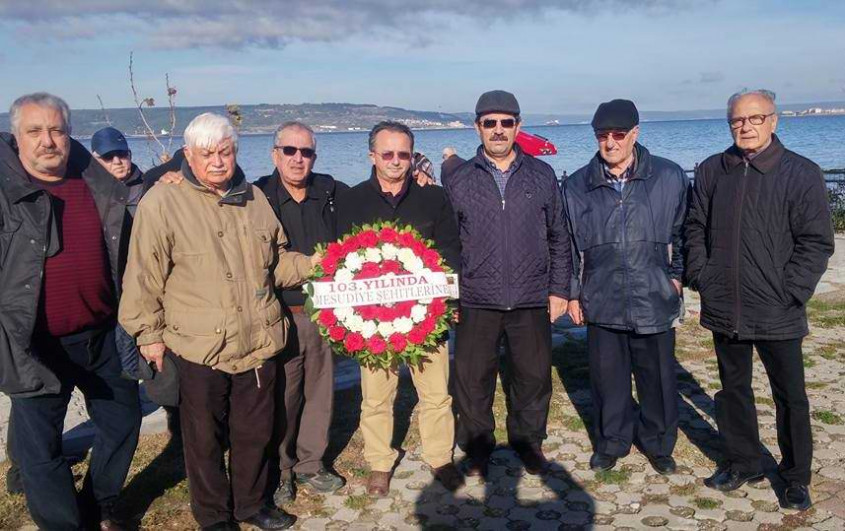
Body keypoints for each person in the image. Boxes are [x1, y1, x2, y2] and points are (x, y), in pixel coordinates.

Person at [119, 113, 319, 530]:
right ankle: (213, 517)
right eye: (206, 153)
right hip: (198, 347)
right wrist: (148, 337)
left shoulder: (254, 199)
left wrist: (317, 264)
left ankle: (252, 505)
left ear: (236, 152)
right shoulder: (162, 202)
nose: (216, 161)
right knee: (203, 441)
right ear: (187, 156)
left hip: (258, 341)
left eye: (224, 152)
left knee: (256, 434)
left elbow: (276, 264)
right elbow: (143, 276)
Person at [686, 89, 835, 510]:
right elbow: (695, 225)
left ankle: (795, 476)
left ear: (774, 121)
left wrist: (792, 290)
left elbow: (816, 242)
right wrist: (701, 274)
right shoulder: (714, 169)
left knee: (790, 395)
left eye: (755, 118)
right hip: (724, 301)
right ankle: (743, 460)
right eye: (737, 120)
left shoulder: (800, 173)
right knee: (733, 391)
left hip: (777, 305)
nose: (745, 127)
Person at [0, 92, 141, 531]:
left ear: (69, 132)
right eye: (35, 131)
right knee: (39, 450)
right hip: (34, 342)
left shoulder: (96, 185)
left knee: (123, 418)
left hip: (100, 334)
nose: (48, 141)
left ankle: (103, 501)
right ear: (16, 136)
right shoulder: (5, 194)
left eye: (57, 130)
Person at [445, 90, 572, 477]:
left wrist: (560, 290)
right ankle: (477, 446)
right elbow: (448, 243)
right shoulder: (460, 178)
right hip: (475, 297)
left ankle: (527, 441)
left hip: (531, 295)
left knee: (532, 377)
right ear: (477, 127)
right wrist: (451, 297)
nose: (498, 130)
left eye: (506, 122)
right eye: (490, 123)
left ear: (518, 126)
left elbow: (559, 237)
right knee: (472, 379)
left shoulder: (542, 174)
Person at [336, 121, 463, 497]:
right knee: (376, 396)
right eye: (387, 153)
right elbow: (340, 261)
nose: (395, 161)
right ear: (372, 155)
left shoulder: (434, 198)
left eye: (403, 154)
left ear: (413, 157)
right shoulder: (350, 200)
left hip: (427, 317)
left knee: (436, 393)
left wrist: (450, 302)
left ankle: (439, 457)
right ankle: (379, 462)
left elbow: (451, 251)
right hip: (372, 322)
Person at [563, 99, 689, 475]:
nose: (610, 142)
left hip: (654, 291)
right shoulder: (576, 185)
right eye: (603, 135)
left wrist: (678, 275)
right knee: (607, 378)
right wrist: (573, 291)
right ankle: (612, 440)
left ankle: (659, 442)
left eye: (619, 135)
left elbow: (685, 232)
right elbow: (567, 244)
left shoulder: (668, 176)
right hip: (601, 294)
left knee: (659, 378)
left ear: (635, 133)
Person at [253, 121, 348, 504]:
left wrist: (425, 176)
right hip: (281, 312)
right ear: (275, 153)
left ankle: (311, 464)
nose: (298, 159)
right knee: (284, 396)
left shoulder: (329, 191)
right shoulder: (257, 195)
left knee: (321, 391)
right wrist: (168, 175)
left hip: (324, 311)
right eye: (289, 151)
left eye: (306, 152)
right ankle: (280, 469)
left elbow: (374, 196)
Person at [91, 126, 144, 214]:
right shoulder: (85, 193)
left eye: (121, 154)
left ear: (129, 155)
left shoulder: (148, 187)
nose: (117, 161)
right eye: (108, 156)